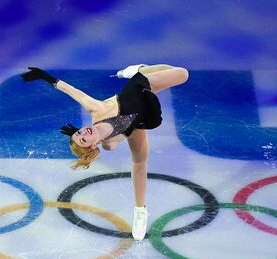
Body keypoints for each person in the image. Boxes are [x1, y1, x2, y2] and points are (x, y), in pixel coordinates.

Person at [21, 64, 189, 240]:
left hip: (140, 88)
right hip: (139, 122)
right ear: (93, 146)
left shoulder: (97, 109)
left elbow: (71, 90)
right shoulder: (107, 142)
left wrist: (44, 76)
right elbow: (111, 141)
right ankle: (140, 211)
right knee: (137, 161)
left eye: (79, 132)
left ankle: (138, 70)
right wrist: (100, 141)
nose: (83, 132)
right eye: (83, 139)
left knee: (183, 74)